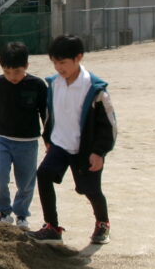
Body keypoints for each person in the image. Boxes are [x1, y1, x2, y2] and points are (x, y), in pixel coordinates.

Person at [29, 35, 116, 245]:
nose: (59, 68)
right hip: (60, 145)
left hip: (85, 149)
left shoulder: (94, 89)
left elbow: (109, 125)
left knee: (91, 190)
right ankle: (52, 227)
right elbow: (51, 114)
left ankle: (102, 223)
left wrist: (99, 152)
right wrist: (48, 138)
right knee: (43, 175)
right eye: (55, 63)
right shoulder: (54, 84)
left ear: (78, 58)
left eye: (63, 62)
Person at [0, 41, 48, 229]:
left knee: (26, 181)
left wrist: (48, 139)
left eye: (17, 72)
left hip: (28, 142)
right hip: (2, 139)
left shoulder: (38, 85)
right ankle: (4, 212)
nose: (12, 77)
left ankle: (21, 214)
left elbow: (45, 114)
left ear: (26, 66)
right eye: (7, 72)